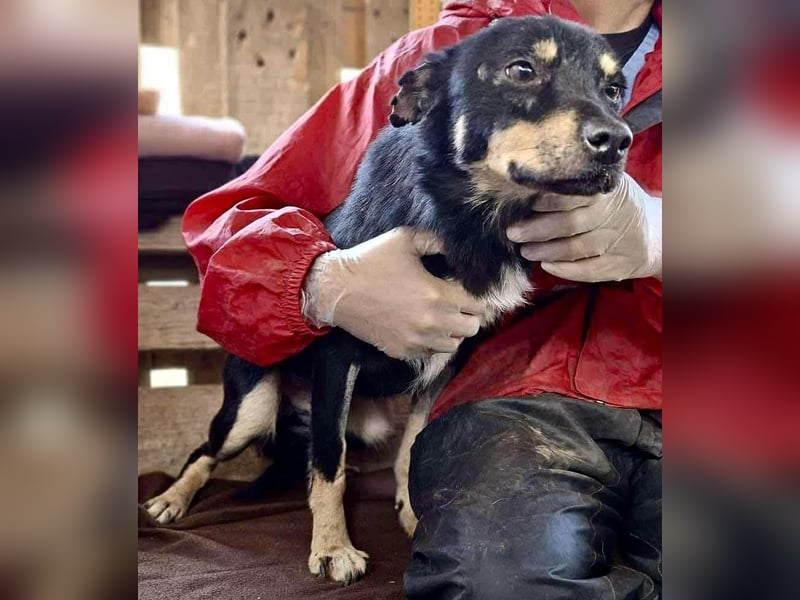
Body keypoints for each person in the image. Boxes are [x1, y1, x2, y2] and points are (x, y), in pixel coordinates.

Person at [183, 1, 662, 598]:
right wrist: (322, 280)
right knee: (497, 584)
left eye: (610, 91)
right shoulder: (447, 51)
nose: (609, 128)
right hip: (518, 401)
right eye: (523, 72)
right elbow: (228, 220)